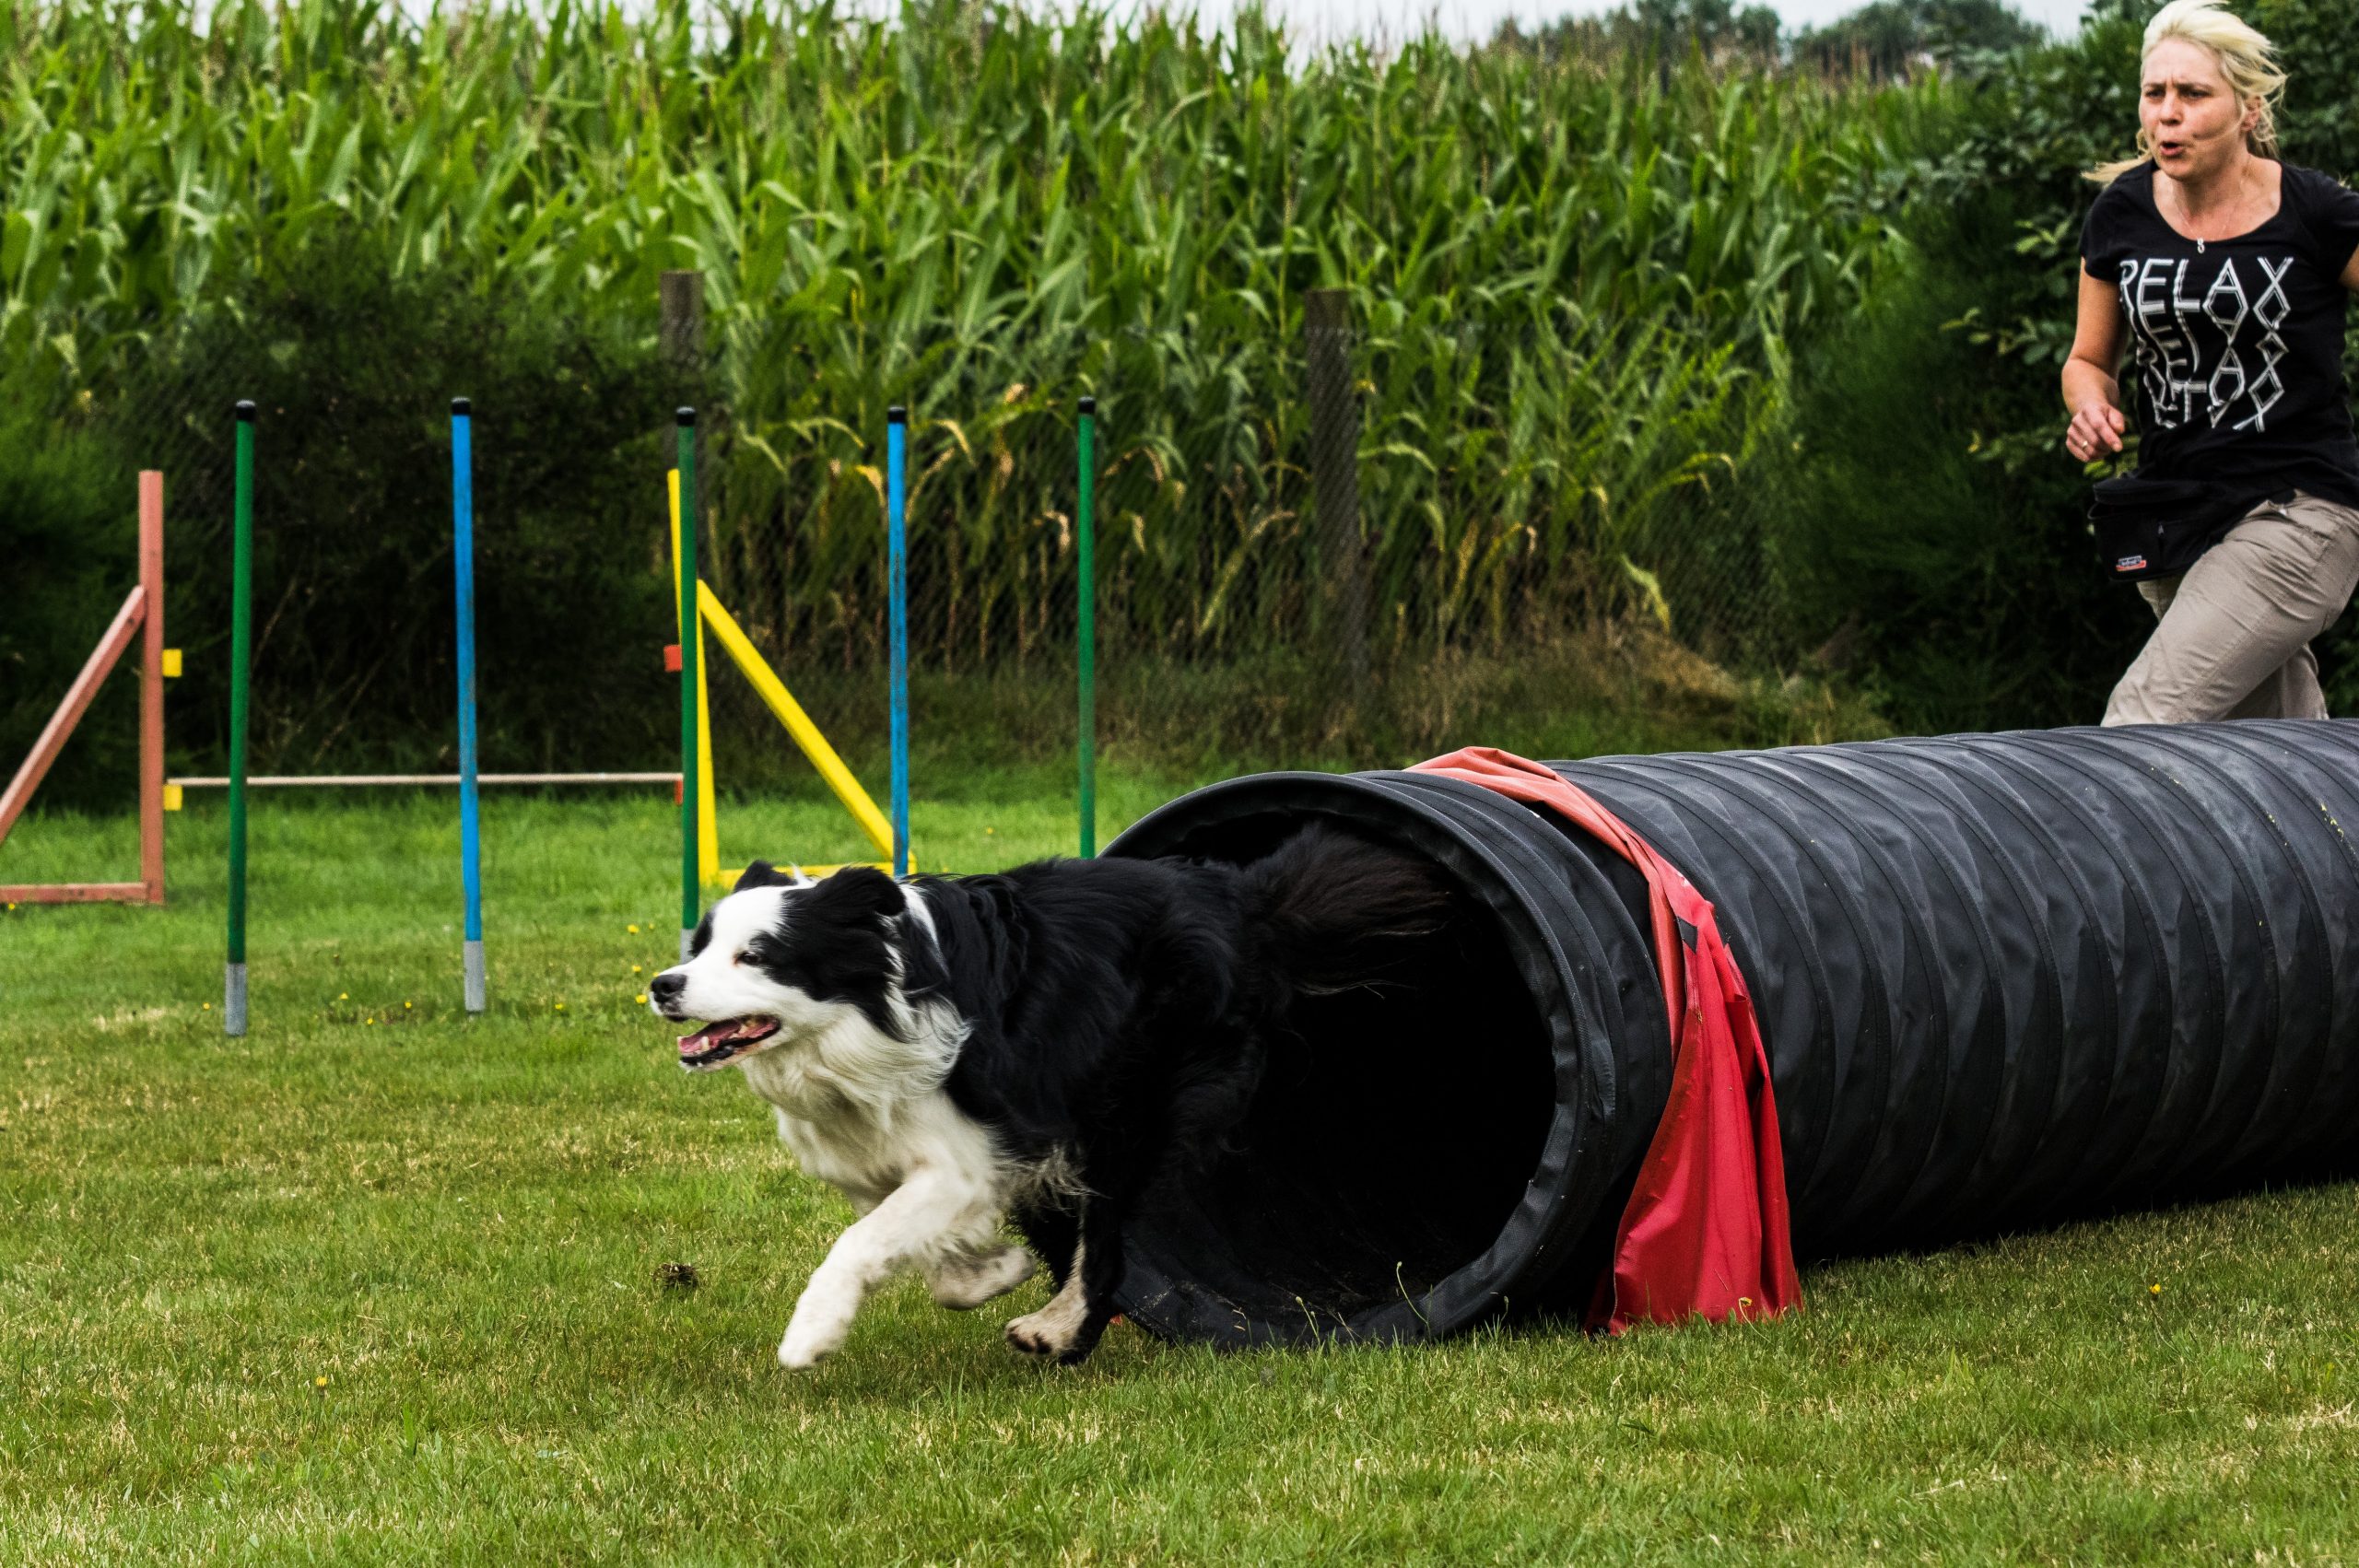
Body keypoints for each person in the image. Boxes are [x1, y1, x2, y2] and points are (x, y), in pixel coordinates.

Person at [2062, 0, 2359, 724]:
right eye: (2155, 93)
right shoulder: (2121, 214)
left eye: (2194, 94)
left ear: (2248, 110)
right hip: (2177, 520)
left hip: (2301, 512)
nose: (2168, 114)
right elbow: (2087, 359)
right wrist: (2090, 405)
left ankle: (2090, 840)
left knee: (2146, 719)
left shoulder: (2316, 211)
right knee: (2278, 759)